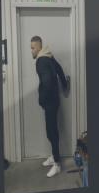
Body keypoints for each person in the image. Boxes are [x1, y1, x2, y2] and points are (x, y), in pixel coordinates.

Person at [30, 36, 69, 178]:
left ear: (39, 47)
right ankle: (54, 156)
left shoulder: (41, 61)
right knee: (52, 131)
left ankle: (57, 164)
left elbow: (46, 82)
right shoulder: (49, 56)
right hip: (54, 101)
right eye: (31, 48)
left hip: (50, 103)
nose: (31, 51)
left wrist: (41, 100)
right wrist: (64, 84)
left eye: (33, 48)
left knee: (51, 132)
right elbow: (59, 69)